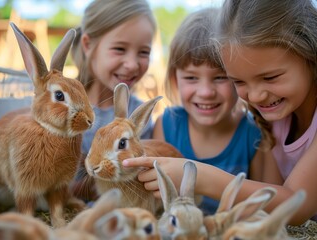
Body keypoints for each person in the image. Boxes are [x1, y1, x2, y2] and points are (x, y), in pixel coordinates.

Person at [123, 0, 317, 226]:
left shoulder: (258, 125)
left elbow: (296, 206)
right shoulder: (274, 114)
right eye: (238, 81)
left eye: (270, 77)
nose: (254, 97)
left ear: (310, 56)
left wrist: (197, 176)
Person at [152, 7, 264, 215]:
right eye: (191, 77)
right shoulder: (166, 124)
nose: (205, 92)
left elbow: (267, 204)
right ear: (175, 78)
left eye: (220, 77)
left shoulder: (253, 134)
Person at [69, 0, 157, 200]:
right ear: (88, 45)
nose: (132, 64)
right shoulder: (65, 104)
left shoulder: (137, 113)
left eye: (144, 52)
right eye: (119, 49)